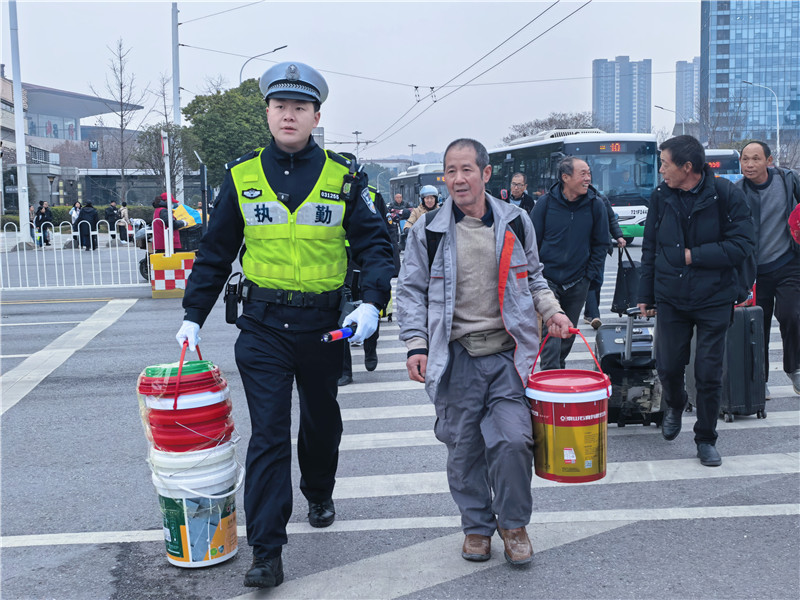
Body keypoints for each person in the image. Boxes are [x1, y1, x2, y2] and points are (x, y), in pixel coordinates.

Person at [175, 61, 394, 589]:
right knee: (269, 435)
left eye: (300, 107)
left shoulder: (345, 178)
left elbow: (376, 245)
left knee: (320, 421)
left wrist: (372, 303)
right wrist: (192, 316)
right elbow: (215, 252)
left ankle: (319, 489)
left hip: (324, 327)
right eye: (280, 106)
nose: (289, 115)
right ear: (268, 113)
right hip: (264, 327)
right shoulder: (241, 176)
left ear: (316, 115)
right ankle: (267, 550)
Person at [396, 138, 571, 566]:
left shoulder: (515, 221)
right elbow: (410, 292)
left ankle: (513, 525)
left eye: (466, 170)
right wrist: (415, 344)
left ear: (485, 174)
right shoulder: (429, 230)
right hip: (455, 358)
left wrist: (553, 311)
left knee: (513, 441)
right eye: (450, 171)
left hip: (508, 357)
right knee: (464, 447)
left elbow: (534, 279)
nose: (457, 179)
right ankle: (476, 526)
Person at [637, 135, 755, 467]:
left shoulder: (726, 195)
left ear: (687, 167)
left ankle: (706, 438)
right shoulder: (661, 195)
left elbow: (742, 245)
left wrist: (693, 256)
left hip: (714, 296)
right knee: (669, 366)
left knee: (708, 371)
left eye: (665, 163)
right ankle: (675, 402)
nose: (661, 170)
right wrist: (645, 295)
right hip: (671, 296)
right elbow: (650, 248)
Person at [531, 156, 609, 369]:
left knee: (568, 333)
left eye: (589, 173)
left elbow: (601, 243)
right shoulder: (546, 204)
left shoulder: (596, 205)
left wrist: (588, 276)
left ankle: (559, 370)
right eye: (582, 173)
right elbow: (531, 244)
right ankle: (550, 377)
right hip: (548, 281)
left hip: (578, 281)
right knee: (551, 331)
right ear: (565, 177)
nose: (588, 178)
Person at [736, 141, 800, 396]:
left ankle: (794, 369)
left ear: (769, 161)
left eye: (755, 159)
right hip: (754, 271)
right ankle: (759, 381)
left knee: (792, 314)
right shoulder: (737, 191)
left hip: (787, 263)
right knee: (756, 325)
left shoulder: (788, 180)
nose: (749, 164)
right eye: (745, 159)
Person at [583, 192, 626, 329]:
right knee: (589, 279)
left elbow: (611, 219)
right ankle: (594, 314)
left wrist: (619, 236)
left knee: (598, 280)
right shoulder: (575, 201)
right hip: (581, 248)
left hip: (600, 247)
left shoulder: (600, 199)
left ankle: (589, 313)